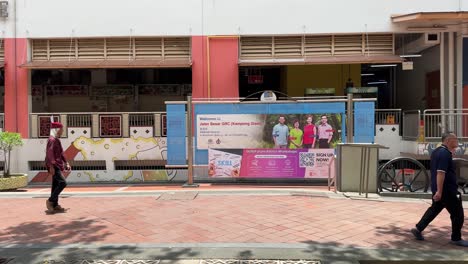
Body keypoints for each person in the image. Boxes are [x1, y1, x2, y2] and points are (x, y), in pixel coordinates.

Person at [411, 132, 468, 247]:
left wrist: (437, 190)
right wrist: (440, 192)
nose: (457, 141)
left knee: (435, 209)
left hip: (439, 189)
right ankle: (456, 238)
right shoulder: (444, 153)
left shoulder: (437, 152)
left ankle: (418, 228)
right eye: (455, 139)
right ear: (448, 140)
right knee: (458, 213)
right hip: (446, 190)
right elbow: (440, 173)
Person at [45, 122, 71, 213]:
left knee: (55, 185)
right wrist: (51, 166)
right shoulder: (51, 140)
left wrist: (66, 162)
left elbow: (61, 152)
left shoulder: (57, 140)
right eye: (61, 129)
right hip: (54, 165)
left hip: (58, 164)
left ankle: (55, 205)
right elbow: (49, 153)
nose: (62, 131)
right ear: (57, 130)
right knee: (63, 183)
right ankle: (51, 201)